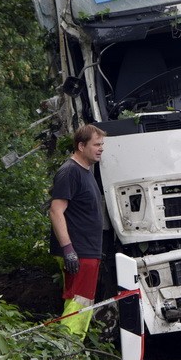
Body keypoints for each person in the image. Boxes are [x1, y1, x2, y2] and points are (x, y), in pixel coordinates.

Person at [49, 124, 106, 340]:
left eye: (102, 145)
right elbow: (56, 211)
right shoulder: (70, 172)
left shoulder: (86, 172)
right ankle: (68, 351)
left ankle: (72, 351)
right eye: (96, 144)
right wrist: (68, 249)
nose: (101, 149)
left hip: (87, 250)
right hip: (79, 251)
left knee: (81, 301)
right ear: (81, 146)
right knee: (78, 301)